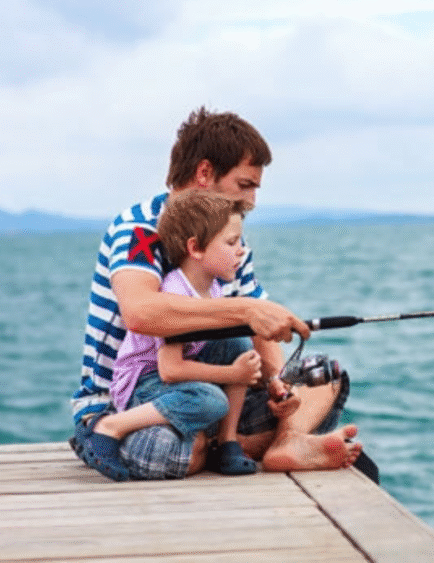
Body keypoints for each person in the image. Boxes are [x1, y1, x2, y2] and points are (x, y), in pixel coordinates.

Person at [71, 107, 372, 481]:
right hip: (127, 401)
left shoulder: (230, 242)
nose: (252, 201)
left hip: (211, 393)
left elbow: (258, 330)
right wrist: (245, 310)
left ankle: (283, 441)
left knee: (324, 376)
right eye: (245, 185)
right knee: (167, 448)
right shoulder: (141, 229)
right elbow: (140, 312)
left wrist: (279, 387)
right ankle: (228, 446)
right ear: (204, 173)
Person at [80, 191, 295, 480]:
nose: (241, 250)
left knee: (240, 343)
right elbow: (170, 370)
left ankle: (227, 442)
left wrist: (260, 374)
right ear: (196, 248)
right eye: (231, 242)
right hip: (143, 382)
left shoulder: (214, 289)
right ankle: (110, 427)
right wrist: (233, 374)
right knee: (212, 400)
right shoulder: (177, 292)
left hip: (171, 379)